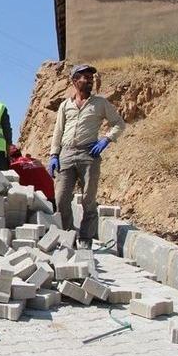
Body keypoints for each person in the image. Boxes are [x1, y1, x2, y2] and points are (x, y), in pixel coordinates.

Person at [49, 64, 125, 249]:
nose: (90, 79)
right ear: (75, 80)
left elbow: (119, 123)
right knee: (60, 199)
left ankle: (85, 239)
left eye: (91, 77)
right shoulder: (65, 105)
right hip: (66, 154)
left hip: (88, 154)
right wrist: (53, 155)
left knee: (88, 200)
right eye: (85, 76)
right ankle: (67, 237)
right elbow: (58, 132)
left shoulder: (100, 103)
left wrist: (106, 140)